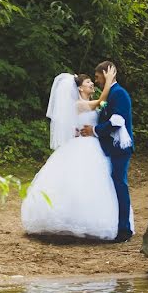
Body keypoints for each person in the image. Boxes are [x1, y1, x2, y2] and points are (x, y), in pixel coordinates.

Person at [21, 69, 124, 240]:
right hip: (81, 146)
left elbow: (102, 106)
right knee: (75, 181)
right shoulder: (78, 105)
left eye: (92, 81)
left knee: (93, 182)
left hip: (93, 144)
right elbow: (101, 102)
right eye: (88, 82)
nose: (92, 84)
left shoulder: (90, 102)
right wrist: (109, 82)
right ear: (80, 89)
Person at [79, 61, 134, 243]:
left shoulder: (119, 94)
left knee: (119, 185)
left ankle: (124, 230)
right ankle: (114, 225)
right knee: (112, 186)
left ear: (106, 74)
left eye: (97, 77)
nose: (96, 80)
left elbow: (117, 121)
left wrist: (94, 130)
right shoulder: (110, 93)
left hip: (120, 148)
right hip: (109, 148)